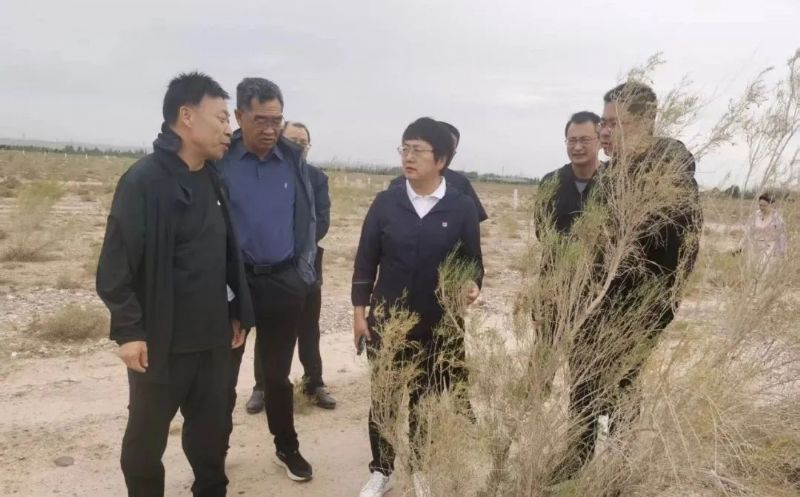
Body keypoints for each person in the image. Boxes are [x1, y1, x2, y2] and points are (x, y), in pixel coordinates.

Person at [96, 72, 254, 497]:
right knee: (145, 444)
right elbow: (115, 267)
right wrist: (129, 331)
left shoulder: (213, 179)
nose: (228, 128)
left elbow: (226, 254)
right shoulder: (143, 181)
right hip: (160, 342)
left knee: (211, 437)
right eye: (221, 117)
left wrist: (235, 310)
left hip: (212, 340)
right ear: (186, 116)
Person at [550, 82, 703, 483]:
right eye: (603, 123)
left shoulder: (668, 167)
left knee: (620, 388)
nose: (603, 132)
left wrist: (651, 312)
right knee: (584, 385)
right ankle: (576, 464)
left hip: (637, 308)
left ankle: (616, 473)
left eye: (613, 124)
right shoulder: (610, 175)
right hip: (594, 304)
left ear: (643, 124)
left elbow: (678, 250)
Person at [353, 117, 484, 497]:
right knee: (385, 397)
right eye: (404, 149)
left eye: (418, 151)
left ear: (440, 159)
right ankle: (381, 470)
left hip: (437, 322)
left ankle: (421, 468)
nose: (408, 157)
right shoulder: (386, 202)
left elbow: (473, 262)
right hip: (388, 319)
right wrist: (359, 315)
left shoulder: (460, 207)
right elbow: (365, 261)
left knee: (424, 399)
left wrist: (472, 285)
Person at [220, 78, 316, 482]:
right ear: (239, 115)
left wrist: (302, 274)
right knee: (222, 378)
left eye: (276, 120)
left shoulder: (292, 159)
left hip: (283, 282)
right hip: (234, 287)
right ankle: (215, 453)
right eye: (260, 119)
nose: (270, 128)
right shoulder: (220, 159)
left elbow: (308, 218)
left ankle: (286, 447)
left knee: (277, 376)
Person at [244, 121, 337, 413]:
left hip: (306, 267)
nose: (298, 146)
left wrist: (291, 245)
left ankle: (314, 383)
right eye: (293, 140)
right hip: (270, 269)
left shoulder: (317, 178)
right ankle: (262, 387)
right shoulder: (264, 174)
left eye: (303, 142)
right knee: (268, 331)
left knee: (309, 329)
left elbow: (321, 221)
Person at [389, 121, 488, 223]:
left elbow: (472, 221)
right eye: (406, 149)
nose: (409, 158)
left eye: (450, 150)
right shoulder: (394, 189)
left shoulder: (462, 184)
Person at [736, 192, 787, 273]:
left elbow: (781, 235)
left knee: (763, 269)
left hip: (769, 248)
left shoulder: (776, 217)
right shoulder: (755, 215)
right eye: (760, 205)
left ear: (771, 204)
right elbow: (749, 232)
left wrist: (782, 252)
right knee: (752, 270)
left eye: (764, 205)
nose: (762, 207)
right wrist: (741, 244)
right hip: (755, 247)